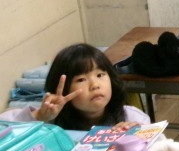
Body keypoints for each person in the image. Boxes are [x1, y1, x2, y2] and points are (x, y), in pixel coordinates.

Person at [0, 43, 150, 130]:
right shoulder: (51, 121)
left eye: (100, 75)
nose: (95, 85)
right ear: (62, 88)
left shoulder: (132, 117)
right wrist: (39, 116)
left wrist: (135, 137)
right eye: (81, 79)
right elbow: (4, 125)